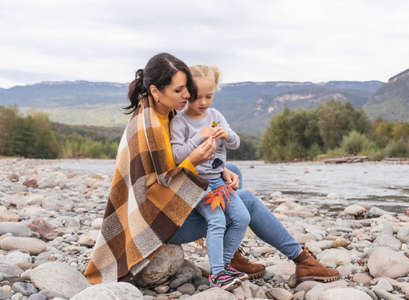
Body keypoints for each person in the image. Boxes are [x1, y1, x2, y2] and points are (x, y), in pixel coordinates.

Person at [85, 53, 339, 289]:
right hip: (157, 223)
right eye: (179, 90)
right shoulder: (147, 128)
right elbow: (155, 188)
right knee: (246, 202)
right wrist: (193, 159)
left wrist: (223, 168)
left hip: (169, 205)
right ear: (156, 91)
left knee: (232, 170)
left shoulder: (163, 110)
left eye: (188, 88)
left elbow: (183, 162)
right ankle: (298, 258)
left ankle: (233, 252)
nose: (188, 96)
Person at [170, 65, 249, 289]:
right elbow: (177, 156)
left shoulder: (215, 116)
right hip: (195, 184)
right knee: (217, 220)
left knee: (242, 217)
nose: (203, 102)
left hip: (219, 181)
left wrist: (228, 134)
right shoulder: (180, 122)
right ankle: (217, 273)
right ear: (186, 93)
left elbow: (235, 143)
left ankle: (223, 266)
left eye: (209, 96)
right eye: (197, 97)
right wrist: (198, 137)